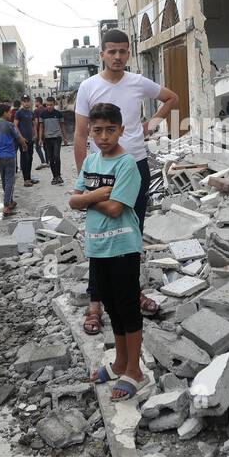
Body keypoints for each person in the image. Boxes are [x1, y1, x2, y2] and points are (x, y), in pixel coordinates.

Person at [74, 28, 179, 334]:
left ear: (128, 53)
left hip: (135, 167)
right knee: (100, 236)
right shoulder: (88, 87)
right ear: (102, 55)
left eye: (123, 51)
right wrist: (85, 180)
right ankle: (95, 305)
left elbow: (171, 98)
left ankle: (132, 292)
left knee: (131, 235)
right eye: (112, 51)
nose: (118, 57)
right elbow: (81, 135)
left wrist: (149, 126)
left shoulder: (137, 83)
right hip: (102, 170)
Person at [71, 102, 150, 401]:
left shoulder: (126, 164)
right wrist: (97, 194)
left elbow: (116, 209)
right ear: (90, 132)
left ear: (122, 130)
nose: (103, 136)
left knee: (128, 306)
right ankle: (119, 362)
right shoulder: (91, 161)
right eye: (97, 131)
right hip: (98, 245)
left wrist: (87, 199)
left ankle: (135, 371)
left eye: (110, 130)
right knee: (112, 306)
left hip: (122, 246)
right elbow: (72, 201)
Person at [0, 103, 27, 215]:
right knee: (10, 180)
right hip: (9, 155)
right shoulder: (10, 125)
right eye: (9, 112)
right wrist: (24, 145)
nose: (11, 114)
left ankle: (10, 201)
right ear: (4, 113)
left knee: (4, 179)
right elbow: (18, 137)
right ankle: (6, 205)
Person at [37, 96, 66, 184]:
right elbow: (41, 127)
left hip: (57, 138)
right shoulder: (42, 114)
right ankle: (55, 177)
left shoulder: (58, 114)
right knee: (51, 158)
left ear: (54, 104)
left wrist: (65, 137)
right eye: (47, 105)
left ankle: (59, 176)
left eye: (51, 105)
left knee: (56, 157)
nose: (49, 107)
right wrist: (40, 138)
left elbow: (62, 125)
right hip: (47, 139)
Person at [14, 94, 38, 187]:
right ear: (21, 102)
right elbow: (15, 125)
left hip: (30, 139)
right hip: (23, 140)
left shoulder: (31, 112)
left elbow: (33, 124)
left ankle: (29, 177)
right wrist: (20, 137)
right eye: (24, 101)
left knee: (30, 158)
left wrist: (35, 134)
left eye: (28, 101)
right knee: (25, 158)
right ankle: (26, 179)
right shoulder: (19, 113)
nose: (26, 103)